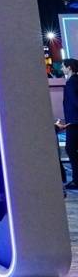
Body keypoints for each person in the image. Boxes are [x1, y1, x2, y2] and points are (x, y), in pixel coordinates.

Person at [56, 59, 78, 189]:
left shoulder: (71, 83)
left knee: (70, 149)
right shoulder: (75, 81)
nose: (61, 69)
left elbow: (75, 102)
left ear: (69, 68)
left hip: (74, 122)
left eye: (63, 66)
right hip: (74, 121)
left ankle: (77, 180)